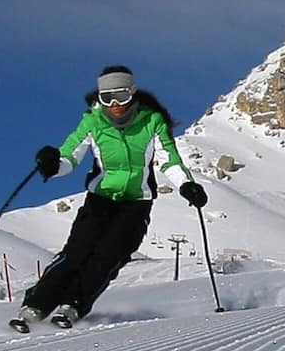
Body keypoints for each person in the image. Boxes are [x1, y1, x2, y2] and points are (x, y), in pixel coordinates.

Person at [19, 65, 206, 328]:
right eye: (107, 97)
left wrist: (187, 185)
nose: (115, 104)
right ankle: (36, 304)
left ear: (133, 93)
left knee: (109, 256)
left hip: (136, 203)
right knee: (76, 252)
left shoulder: (152, 121)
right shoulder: (92, 122)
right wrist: (52, 164)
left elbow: (169, 160)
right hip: (101, 199)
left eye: (121, 95)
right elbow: (70, 156)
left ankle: (73, 305)